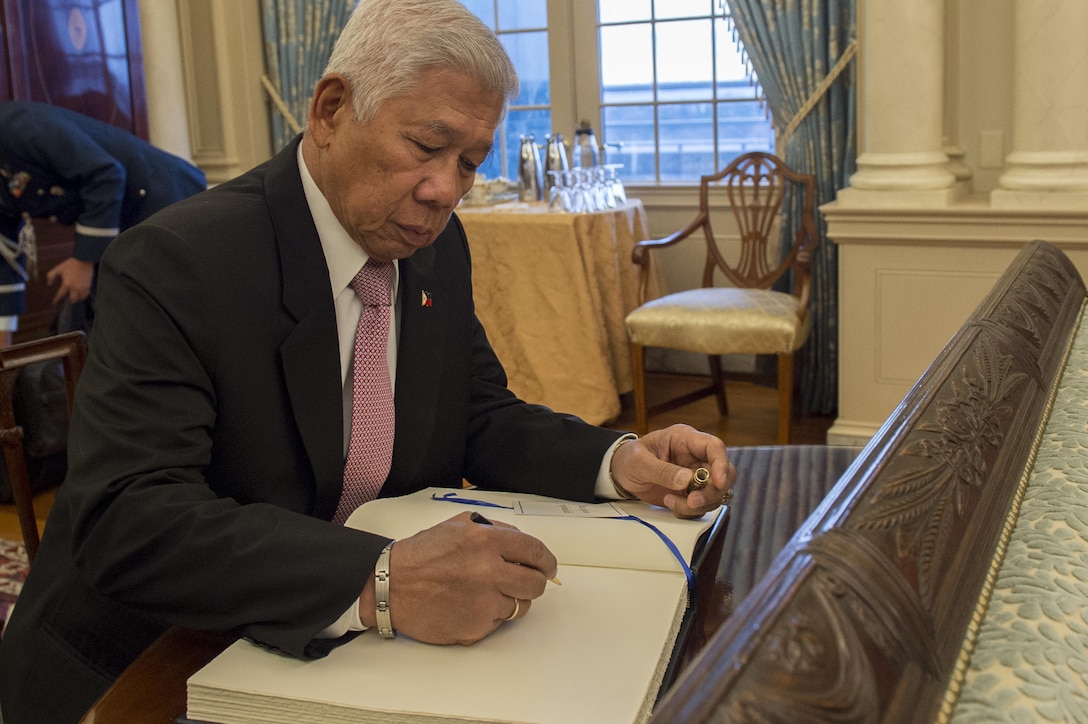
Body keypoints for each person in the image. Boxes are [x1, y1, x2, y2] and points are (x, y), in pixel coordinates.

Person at [0, 1, 736, 721]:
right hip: (147, 663)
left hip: (336, 651)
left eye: (470, 162)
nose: (446, 189)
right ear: (330, 110)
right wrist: (380, 578)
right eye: (424, 146)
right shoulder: (180, 263)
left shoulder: (436, 247)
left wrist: (619, 460)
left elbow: (476, 411)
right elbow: (129, 520)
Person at [0, 100, 207, 345]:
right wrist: (5, 350)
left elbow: (106, 174)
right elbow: (5, 255)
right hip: (113, 224)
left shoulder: (18, 124)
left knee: (167, 322)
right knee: (108, 326)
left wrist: (83, 261)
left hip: (160, 199)